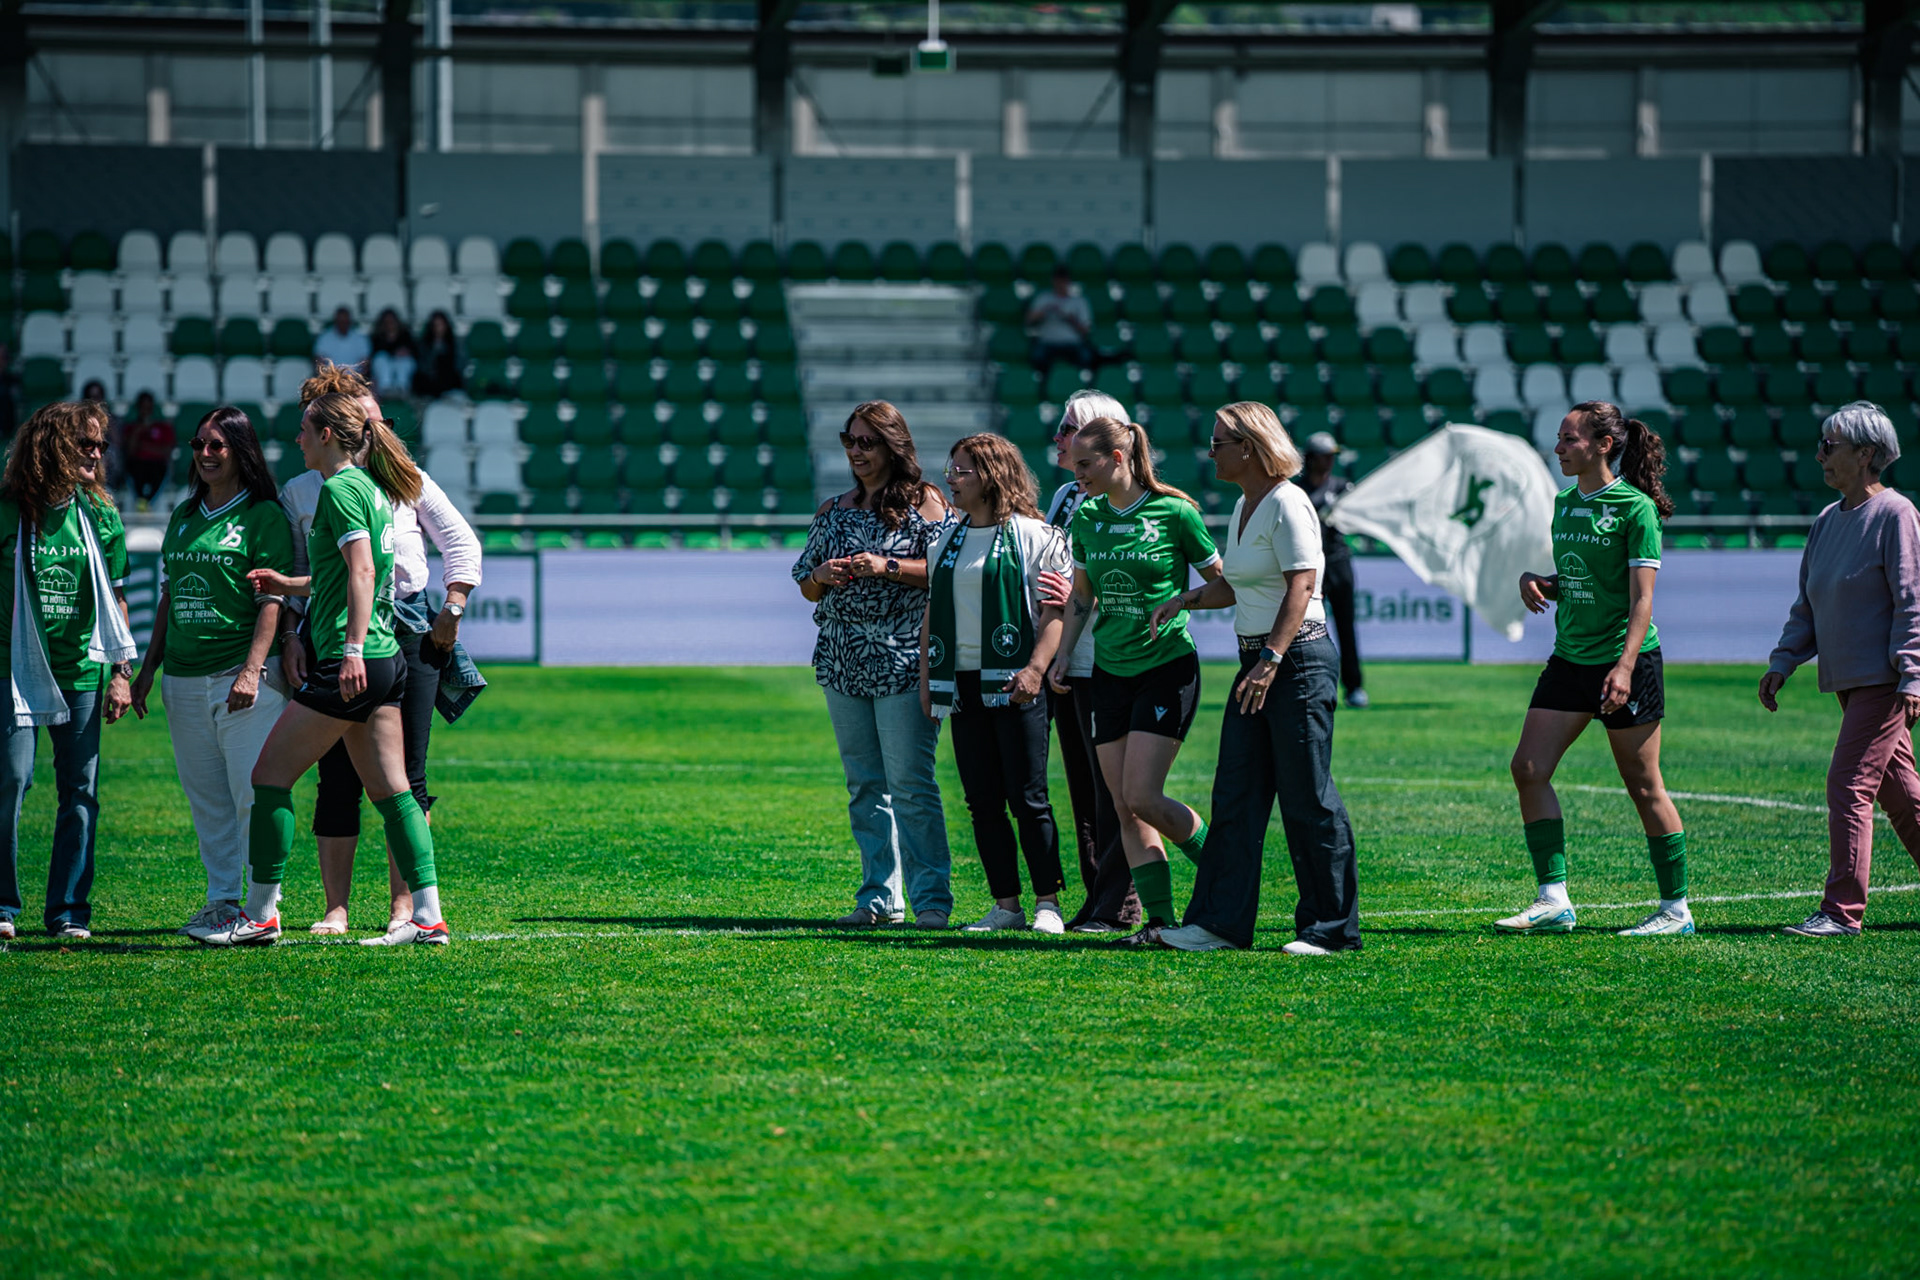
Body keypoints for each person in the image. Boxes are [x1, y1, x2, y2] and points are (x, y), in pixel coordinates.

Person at [207, 391, 448, 947]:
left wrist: (353, 649)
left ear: (328, 436)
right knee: (395, 792)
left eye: (304, 430)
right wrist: (289, 585)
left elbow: (363, 573)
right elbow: (345, 573)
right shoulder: (369, 487)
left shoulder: (339, 489)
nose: (297, 439)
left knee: (268, 777)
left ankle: (260, 916)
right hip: (388, 658)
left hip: (352, 658)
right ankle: (428, 917)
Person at [280, 362, 481, 936]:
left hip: (407, 631)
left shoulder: (406, 478)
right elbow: (307, 572)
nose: (377, 429)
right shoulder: (301, 488)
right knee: (335, 776)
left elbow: (462, 545)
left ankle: (405, 909)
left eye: (382, 420)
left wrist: (453, 610)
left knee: (405, 776)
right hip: (332, 633)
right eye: (367, 420)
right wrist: (293, 632)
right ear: (339, 426)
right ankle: (335, 910)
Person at [1156, 404, 1360, 955]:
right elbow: (1238, 587)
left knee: (1306, 795)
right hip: (1262, 662)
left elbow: (1302, 585)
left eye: (1220, 441)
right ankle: (1218, 925)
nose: (1211, 451)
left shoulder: (1289, 501)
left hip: (1295, 661)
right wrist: (1186, 599)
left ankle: (1330, 928)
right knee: (1237, 795)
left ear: (1249, 447)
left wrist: (1270, 659)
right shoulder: (1248, 504)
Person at [1498, 400, 1692, 937]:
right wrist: (1538, 581)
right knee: (1528, 769)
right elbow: (1581, 579)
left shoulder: (1635, 509)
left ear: (1603, 445)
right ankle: (1553, 899)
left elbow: (1640, 600)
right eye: (1559, 439)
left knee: (1643, 784)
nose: (1558, 448)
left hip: (1625, 661)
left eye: (1569, 439)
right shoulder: (1564, 503)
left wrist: (1625, 666)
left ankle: (1675, 910)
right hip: (1570, 659)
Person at [1046, 416, 1224, 946]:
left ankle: (1226, 873)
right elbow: (1082, 595)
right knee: (1123, 805)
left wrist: (1183, 600)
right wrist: (1063, 655)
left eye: (1085, 464)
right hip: (1109, 675)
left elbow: (1224, 586)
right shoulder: (1090, 517)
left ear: (1118, 458)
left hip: (1166, 669)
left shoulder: (1175, 512)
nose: (1076, 476)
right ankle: (1162, 923)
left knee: (1143, 796)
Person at [128, 407, 294, 943]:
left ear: (240, 451)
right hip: (181, 679)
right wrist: (148, 671)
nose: (205, 454)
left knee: (253, 795)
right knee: (208, 800)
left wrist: (251, 671)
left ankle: (261, 908)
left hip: (242, 680)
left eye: (217, 445)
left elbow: (271, 599)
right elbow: (170, 597)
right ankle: (221, 900)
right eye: (199, 444)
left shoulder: (263, 515)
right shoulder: (181, 515)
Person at [1759, 402, 1920, 937]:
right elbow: (1807, 605)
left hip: (1885, 681)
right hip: (1849, 683)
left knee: (1848, 784)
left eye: (1830, 446)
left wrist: (1914, 674)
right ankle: (1840, 909)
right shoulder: (1828, 520)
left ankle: (1840, 912)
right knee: (1902, 795)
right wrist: (1783, 662)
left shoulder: (1897, 514)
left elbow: (1912, 602)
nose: (1819, 455)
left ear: (1866, 454)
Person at [792, 400, 955, 929]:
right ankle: (879, 898)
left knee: (911, 784)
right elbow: (805, 588)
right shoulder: (832, 509)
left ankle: (932, 900)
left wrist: (884, 566)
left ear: (892, 446)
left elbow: (947, 571)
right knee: (865, 786)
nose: (856, 452)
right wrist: (823, 573)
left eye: (868, 442)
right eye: (850, 441)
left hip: (906, 661)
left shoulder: (926, 503)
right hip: (843, 662)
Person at [921, 434, 1070, 933]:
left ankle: (1048, 902)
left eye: (961, 471)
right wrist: (928, 679)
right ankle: (1006, 905)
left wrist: (1034, 670)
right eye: (951, 468)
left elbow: (1056, 612)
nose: (950, 478)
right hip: (961, 685)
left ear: (989, 476)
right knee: (982, 801)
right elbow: (931, 613)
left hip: (1016, 683)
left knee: (1028, 797)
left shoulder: (1036, 535)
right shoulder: (945, 537)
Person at [0, 402, 136, 941]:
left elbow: (117, 597)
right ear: (50, 444)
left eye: (102, 445)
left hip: (81, 671)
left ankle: (68, 912)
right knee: (11, 780)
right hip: (12, 668)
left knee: (80, 789)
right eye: (86, 443)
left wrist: (121, 671)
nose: (97, 453)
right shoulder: (9, 508)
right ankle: (3, 906)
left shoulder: (99, 512)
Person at [1036, 390, 1140, 932]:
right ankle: (1101, 897)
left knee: (1114, 789)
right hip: (1071, 660)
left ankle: (1122, 902)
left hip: (1116, 658)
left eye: (1070, 428)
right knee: (1082, 787)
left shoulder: (1137, 499)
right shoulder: (1062, 496)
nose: (1060, 437)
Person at [1295, 431, 1366, 708]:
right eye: (1324, 456)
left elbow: (1356, 523)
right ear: (1310, 459)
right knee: (1307, 628)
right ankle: (1309, 684)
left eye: (1331, 457)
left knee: (1346, 628)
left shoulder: (1342, 488)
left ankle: (1354, 686)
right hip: (1308, 567)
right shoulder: (1297, 491)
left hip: (1338, 563)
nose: (1329, 462)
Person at [1025, 265, 1093, 378]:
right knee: (1037, 356)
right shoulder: (1044, 298)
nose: (1060, 284)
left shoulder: (1079, 301)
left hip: (1072, 343)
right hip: (1048, 342)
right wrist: (1045, 312)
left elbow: (1086, 330)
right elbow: (1028, 321)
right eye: (1058, 280)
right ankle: (1042, 387)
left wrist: (1070, 319)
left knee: (1086, 356)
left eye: (1063, 280)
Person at [122, 391, 175, 511]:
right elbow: (130, 451)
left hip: (157, 465)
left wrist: (144, 446)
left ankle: (148, 503)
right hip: (137, 464)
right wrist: (139, 431)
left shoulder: (163, 428)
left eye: (148, 407)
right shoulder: (131, 428)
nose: (145, 410)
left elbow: (166, 451)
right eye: (143, 407)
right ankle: (142, 502)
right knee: (135, 470)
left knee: (158, 472)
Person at [413, 310, 465, 400]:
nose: (438, 328)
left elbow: (458, 365)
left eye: (441, 325)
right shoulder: (424, 344)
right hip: (429, 381)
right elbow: (423, 365)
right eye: (435, 325)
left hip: (449, 381)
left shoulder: (454, 344)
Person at [369, 309, 419, 402]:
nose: (390, 324)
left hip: (400, 368)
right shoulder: (377, 338)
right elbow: (375, 355)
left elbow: (415, 352)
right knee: (381, 358)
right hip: (385, 368)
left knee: (404, 361)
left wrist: (404, 352)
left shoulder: (406, 336)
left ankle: (402, 388)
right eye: (387, 322)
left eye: (392, 321)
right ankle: (385, 388)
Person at [313, 307, 371, 375]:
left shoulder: (360, 339)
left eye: (345, 321)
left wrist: (359, 380)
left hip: (354, 379)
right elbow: (319, 361)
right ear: (335, 321)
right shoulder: (324, 338)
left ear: (350, 321)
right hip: (331, 378)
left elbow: (365, 363)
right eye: (340, 321)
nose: (343, 324)